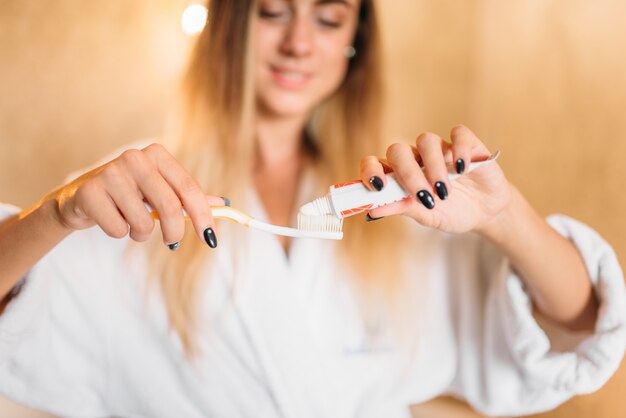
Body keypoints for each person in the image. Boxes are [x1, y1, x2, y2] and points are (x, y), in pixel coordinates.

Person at [0, 0, 624, 417]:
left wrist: (503, 215)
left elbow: (581, 325)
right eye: (273, 11)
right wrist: (56, 216)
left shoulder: (396, 204)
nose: (299, 43)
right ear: (227, 26)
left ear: (356, 41)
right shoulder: (134, 196)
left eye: (328, 18)